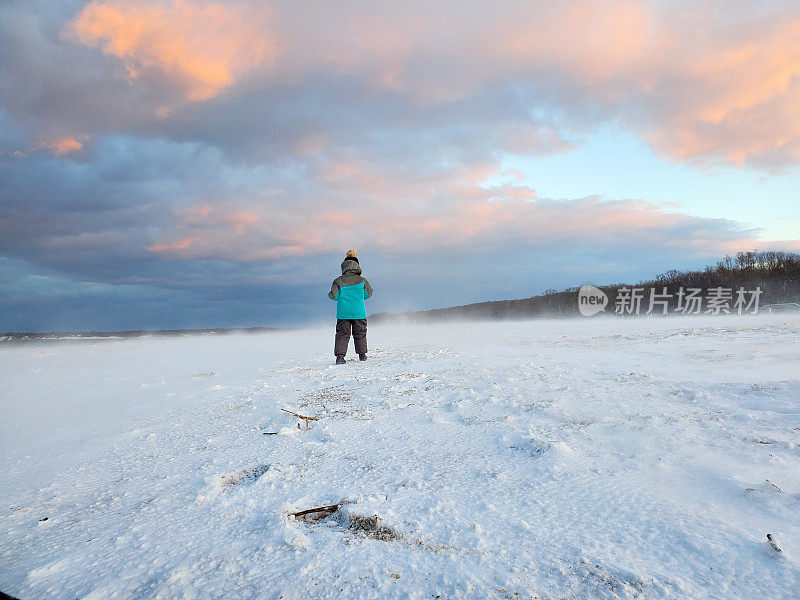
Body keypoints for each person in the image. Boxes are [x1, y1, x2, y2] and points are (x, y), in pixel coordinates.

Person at [328, 249, 373, 364]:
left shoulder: (338, 281)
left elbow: (334, 296)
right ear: (357, 265)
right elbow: (368, 294)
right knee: (360, 333)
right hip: (359, 312)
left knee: (342, 334)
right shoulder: (362, 280)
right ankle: (362, 355)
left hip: (343, 313)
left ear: (343, 266)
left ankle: (340, 357)